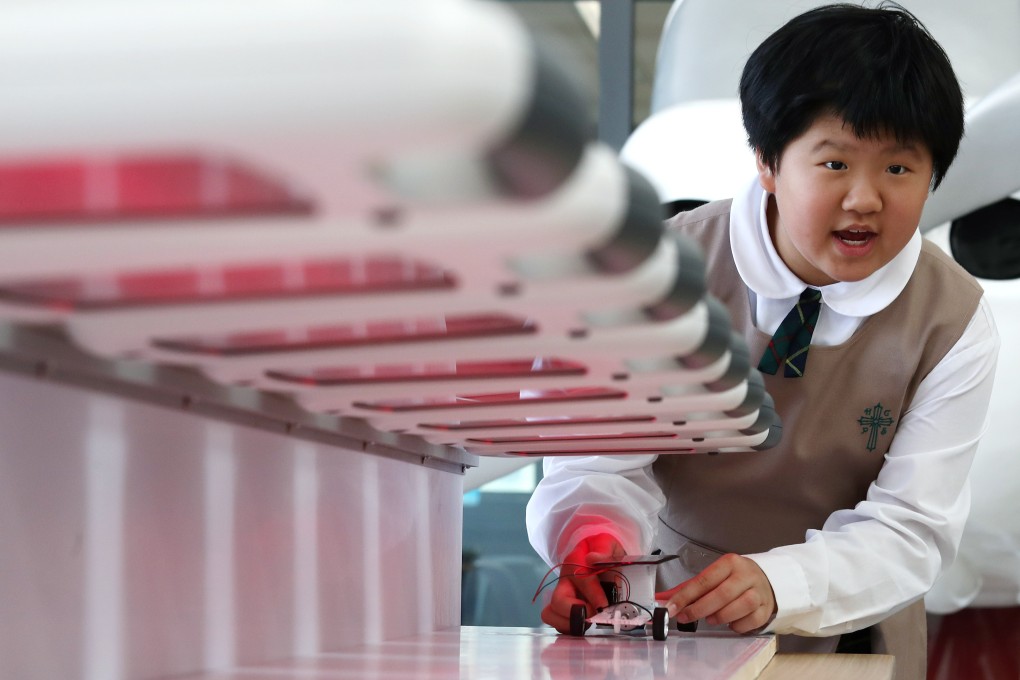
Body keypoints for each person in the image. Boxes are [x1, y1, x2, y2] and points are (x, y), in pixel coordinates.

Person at [525, 4, 1000, 679]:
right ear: (768, 161)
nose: (865, 198)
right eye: (835, 162)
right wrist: (595, 539)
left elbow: (911, 526)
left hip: (851, 623)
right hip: (661, 611)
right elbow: (595, 460)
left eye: (900, 170)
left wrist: (782, 584)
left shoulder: (953, 320)